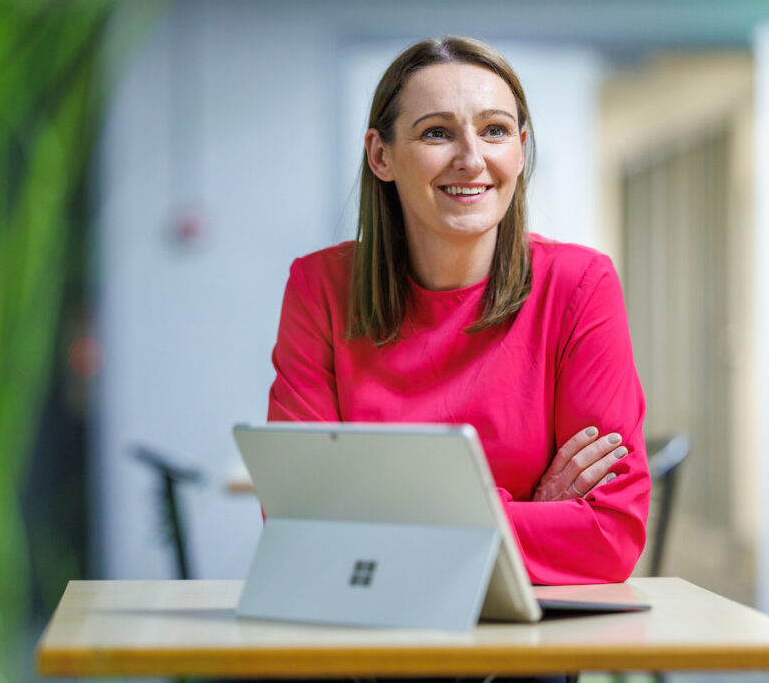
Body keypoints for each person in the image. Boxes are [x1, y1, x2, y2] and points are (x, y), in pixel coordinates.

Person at [267, 36, 650, 588]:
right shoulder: (319, 287)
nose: (472, 159)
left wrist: (388, 522)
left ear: (519, 148)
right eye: (437, 133)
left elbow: (610, 536)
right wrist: (519, 509)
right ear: (382, 156)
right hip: (365, 632)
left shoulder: (579, 286)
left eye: (494, 130)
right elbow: (301, 526)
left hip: (525, 645)